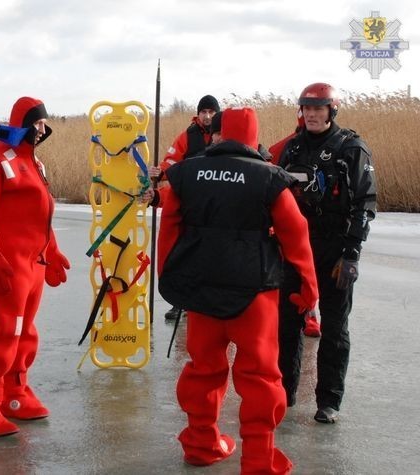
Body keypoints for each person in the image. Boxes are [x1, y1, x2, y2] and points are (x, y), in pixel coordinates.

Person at [158, 107, 318, 473]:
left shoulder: (187, 173)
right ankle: (259, 459)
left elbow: (169, 226)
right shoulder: (269, 178)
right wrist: (309, 288)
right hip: (255, 294)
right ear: (253, 137)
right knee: (260, 375)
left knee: (202, 368)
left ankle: (200, 442)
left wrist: (170, 278)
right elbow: (297, 235)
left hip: (201, 293)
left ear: (218, 133)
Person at [0, 96, 70, 437]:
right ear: (22, 123)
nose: (42, 130)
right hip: (9, 264)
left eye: (44, 124)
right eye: (37, 123)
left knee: (26, 333)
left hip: (33, 263)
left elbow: (42, 213)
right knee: (5, 332)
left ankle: (16, 393)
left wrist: (51, 252)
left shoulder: (34, 163)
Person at [277, 82, 377, 423]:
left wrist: (352, 254)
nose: (312, 114)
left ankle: (329, 400)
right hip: (297, 249)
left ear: (331, 111)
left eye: (319, 109)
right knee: (287, 323)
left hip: (336, 249)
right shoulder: (291, 149)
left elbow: (365, 203)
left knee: (334, 327)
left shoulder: (352, 148)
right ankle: (284, 394)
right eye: (307, 109)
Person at [151, 94, 220, 321]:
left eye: (211, 112)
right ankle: (179, 303)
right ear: (198, 114)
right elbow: (172, 162)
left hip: (217, 207)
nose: (208, 116)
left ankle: (208, 300)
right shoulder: (187, 137)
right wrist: (160, 173)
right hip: (192, 204)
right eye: (204, 112)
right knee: (184, 257)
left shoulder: (226, 133)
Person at [269, 110, 321, 338]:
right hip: (293, 222)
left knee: (305, 272)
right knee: (299, 272)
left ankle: (309, 315)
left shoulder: (335, 146)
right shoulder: (285, 147)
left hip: (308, 224)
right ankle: (306, 315)